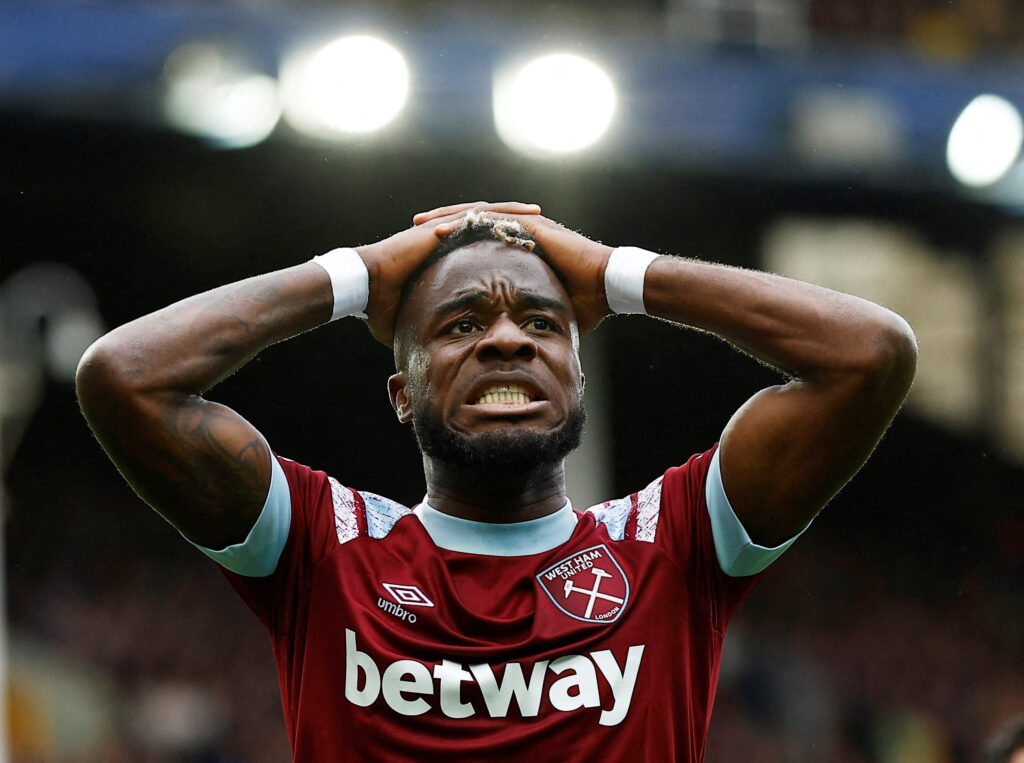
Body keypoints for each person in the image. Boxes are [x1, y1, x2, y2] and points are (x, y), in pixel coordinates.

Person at [75, 201, 917, 761]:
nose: (508, 341)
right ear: (402, 393)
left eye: (543, 322)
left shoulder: (674, 540)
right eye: (462, 323)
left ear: (577, 379)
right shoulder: (322, 544)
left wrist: (617, 274)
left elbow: (870, 353)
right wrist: (357, 274)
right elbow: (124, 375)